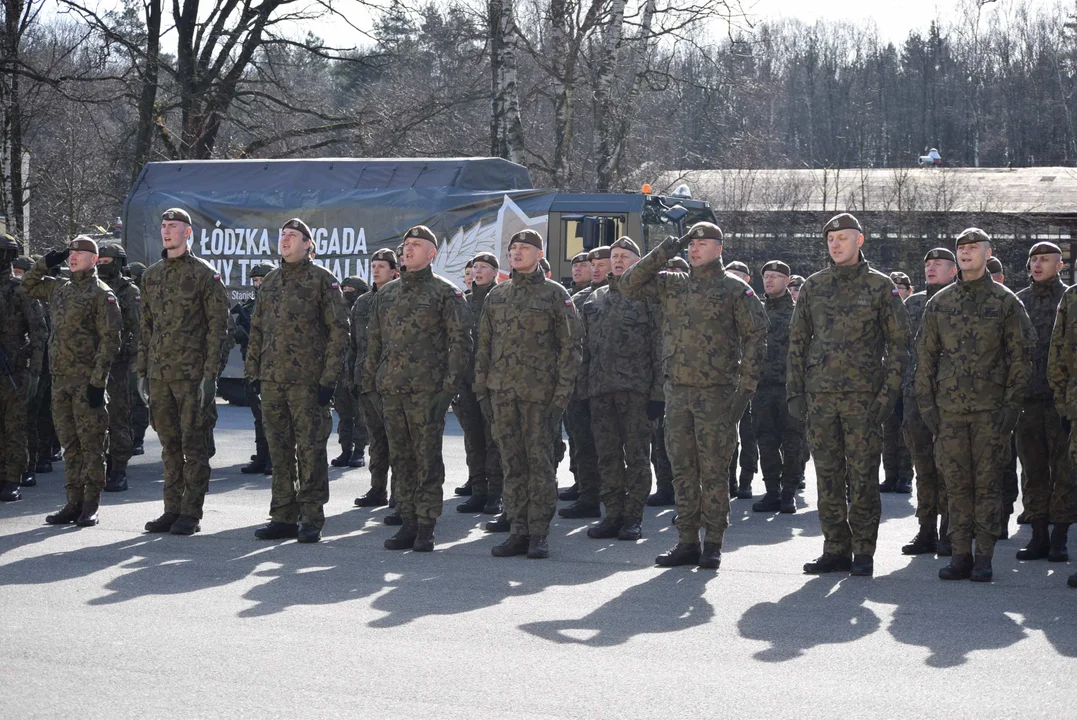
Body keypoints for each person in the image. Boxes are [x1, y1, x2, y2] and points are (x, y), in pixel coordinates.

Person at [621, 222, 767, 570]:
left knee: (714, 470)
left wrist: (744, 391)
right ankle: (686, 540)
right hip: (678, 393)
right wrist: (665, 250)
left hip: (716, 394)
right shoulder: (673, 285)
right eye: (691, 244)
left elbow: (756, 339)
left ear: (719, 248)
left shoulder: (735, 289)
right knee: (682, 469)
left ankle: (713, 541)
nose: (695, 249)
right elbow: (628, 284)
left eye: (702, 243)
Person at [788, 213, 909, 578]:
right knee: (827, 476)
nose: (835, 244)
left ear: (860, 240)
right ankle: (835, 548)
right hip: (821, 398)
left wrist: (888, 395)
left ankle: (863, 551)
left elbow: (900, 344)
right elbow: (797, 343)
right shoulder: (813, 286)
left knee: (862, 477)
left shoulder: (880, 286)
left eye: (843, 237)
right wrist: (796, 391)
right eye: (830, 239)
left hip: (863, 400)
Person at [917, 228, 1031, 583]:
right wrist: (928, 407)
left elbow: (1021, 357)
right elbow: (925, 357)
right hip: (949, 411)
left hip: (990, 410)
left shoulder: (1005, 301)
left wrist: (1012, 406)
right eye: (961, 249)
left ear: (987, 252)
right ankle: (960, 554)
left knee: (987, 485)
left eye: (973, 248)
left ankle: (984, 556)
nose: (966, 253)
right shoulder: (940, 302)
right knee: (955, 484)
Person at [363, 225, 471, 552]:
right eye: (406, 245)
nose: (408, 250)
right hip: (392, 389)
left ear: (432, 253)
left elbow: (460, 343)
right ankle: (407, 521)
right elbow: (375, 342)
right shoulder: (387, 294)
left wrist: (448, 390)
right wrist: (372, 383)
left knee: (426, 459)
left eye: (416, 245)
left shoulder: (445, 293)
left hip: (428, 392)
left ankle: (426, 526)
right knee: (401, 457)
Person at [475, 229, 580, 559]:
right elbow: (484, 346)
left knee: (540, 466)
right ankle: (517, 529)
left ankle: (538, 533)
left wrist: (560, 397)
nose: (517, 253)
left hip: (540, 397)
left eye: (525, 248)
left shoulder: (554, 294)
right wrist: (482, 391)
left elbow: (571, 347)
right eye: (513, 248)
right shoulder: (497, 296)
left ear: (539, 254)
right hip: (503, 395)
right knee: (512, 464)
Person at [245, 219, 349, 543]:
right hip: (272, 381)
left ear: (308, 244)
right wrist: (252, 373)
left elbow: (339, 332)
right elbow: (257, 331)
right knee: (278, 451)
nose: (285, 240)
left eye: (293, 236)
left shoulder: (322, 281)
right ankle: (283, 516)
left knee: (310, 450)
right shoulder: (271, 283)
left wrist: (329, 379)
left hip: (308, 382)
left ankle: (311, 518)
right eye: (283, 235)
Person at [138, 208, 230, 536]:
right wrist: (142, 370)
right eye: (163, 226)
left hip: (192, 377)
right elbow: (145, 327)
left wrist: (210, 374)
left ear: (187, 233)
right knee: (169, 445)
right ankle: (171, 509)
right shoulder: (151, 275)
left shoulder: (205, 274)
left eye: (173, 226)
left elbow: (220, 328)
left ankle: (191, 512)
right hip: (160, 373)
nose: (166, 231)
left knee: (195, 443)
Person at [23, 237, 121, 525]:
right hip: (60, 382)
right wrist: (45, 262)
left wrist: (97, 382)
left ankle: (90, 505)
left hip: (86, 383)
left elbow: (110, 341)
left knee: (91, 445)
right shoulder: (60, 289)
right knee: (69, 445)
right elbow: (27, 285)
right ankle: (72, 502)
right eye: (71, 253)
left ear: (94, 259)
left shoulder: (102, 293)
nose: (73, 257)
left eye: (80, 253)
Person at [580, 236, 659, 541]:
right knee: (607, 456)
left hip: (636, 392)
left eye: (625, 255)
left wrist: (657, 396)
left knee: (637, 456)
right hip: (601, 391)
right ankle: (612, 514)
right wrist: (584, 390)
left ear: (638, 261)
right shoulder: (594, 299)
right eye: (614, 255)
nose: (618, 260)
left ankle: (633, 518)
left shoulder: (648, 296)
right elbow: (585, 349)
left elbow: (658, 345)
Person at [1015, 242, 1075, 562]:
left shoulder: (1069, 300)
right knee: (1033, 471)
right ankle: (1038, 534)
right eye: (1033, 260)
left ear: (1060, 265)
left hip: (1060, 401)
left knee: (1063, 471)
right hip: (1028, 399)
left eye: (1045, 259)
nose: (1037, 265)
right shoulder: (1018, 301)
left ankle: (1060, 536)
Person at [900, 248, 958, 557]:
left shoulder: (960, 301)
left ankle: (951, 530)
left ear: (953, 270)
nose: (931, 269)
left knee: (948, 466)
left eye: (939, 264)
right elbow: (900, 346)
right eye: (928, 264)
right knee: (923, 465)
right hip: (914, 395)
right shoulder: (914, 303)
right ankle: (926, 530)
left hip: (949, 397)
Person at [557, 246, 609, 519]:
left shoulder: (630, 295)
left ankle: (613, 501)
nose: (595, 268)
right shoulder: (579, 298)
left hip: (611, 384)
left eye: (602, 263)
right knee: (582, 442)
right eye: (593, 263)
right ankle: (587, 493)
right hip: (580, 383)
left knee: (611, 447)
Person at [454, 251, 504, 515]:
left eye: (484, 267)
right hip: (467, 380)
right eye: (475, 267)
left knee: (493, 439)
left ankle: (496, 494)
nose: (477, 271)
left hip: (493, 382)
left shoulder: (502, 298)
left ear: (495, 272)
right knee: (473, 438)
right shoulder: (463, 302)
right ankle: (478, 490)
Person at [751, 260, 801, 514]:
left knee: (793, 442)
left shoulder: (799, 311)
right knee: (766, 442)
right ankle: (772, 492)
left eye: (775, 276)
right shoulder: (755, 310)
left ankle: (789, 493)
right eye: (766, 276)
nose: (769, 280)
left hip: (789, 388)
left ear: (787, 280)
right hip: (761, 387)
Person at [351, 249, 399, 511]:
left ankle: (398, 493)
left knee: (397, 440)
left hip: (390, 381)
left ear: (394, 271)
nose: (376, 269)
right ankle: (377, 488)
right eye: (374, 265)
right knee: (376, 439)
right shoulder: (363, 302)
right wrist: (351, 375)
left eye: (382, 265)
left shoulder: (399, 299)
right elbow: (354, 344)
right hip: (365, 381)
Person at [0, 235, 46, 502]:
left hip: (13, 371)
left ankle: (12, 477)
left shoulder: (20, 290)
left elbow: (39, 332)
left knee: (14, 425)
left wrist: (34, 371)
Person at [92, 243, 141, 494]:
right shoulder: (91, 286)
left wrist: (130, 359)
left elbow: (137, 328)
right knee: (93, 418)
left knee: (118, 417)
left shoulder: (128, 290)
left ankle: (119, 469)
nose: (102, 264)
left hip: (118, 366)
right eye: (99, 260)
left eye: (107, 260)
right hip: (91, 363)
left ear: (119, 262)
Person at [232, 262, 274, 475]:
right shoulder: (249, 306)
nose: (258, 284)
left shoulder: (278, 303)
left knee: (273, 417)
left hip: (272, 368)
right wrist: (239, 331)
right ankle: (261, 456)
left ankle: (274, 459)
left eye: (262, 279)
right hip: (251, 367)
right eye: (255, 281)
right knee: (258, 415)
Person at [724, 260, 759, 499]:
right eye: (731, 274)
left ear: (747, 280)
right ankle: (729, 481)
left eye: (740, 274)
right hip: (727, 382)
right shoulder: (719, 306)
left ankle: (746, 480)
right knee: (728, 437)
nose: (735, 277)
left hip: (748, 382)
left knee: (749, 435)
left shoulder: (752, 304)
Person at [880, 270, 915, 494]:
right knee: (888, 431)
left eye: (901, 289)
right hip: (886, 379)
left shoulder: (913, 309)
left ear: (908, 291)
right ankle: (890, 475)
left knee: (906, 431)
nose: (897, 292)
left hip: (907, 379)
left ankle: (905, 476)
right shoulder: (884, 311)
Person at [332, 276, 369, 469]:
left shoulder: (367, 309)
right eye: (344, 288)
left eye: (351, 289)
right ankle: (345, 450)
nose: (346, 291)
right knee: (344, 414)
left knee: (360, 415)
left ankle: (359, 451)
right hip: (339, 371)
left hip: (359, 370)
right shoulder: (337, 310)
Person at [127, 261, 150, 455]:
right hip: (126, 353)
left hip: (140, 354)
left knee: (138, 397)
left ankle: (137, 437)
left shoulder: (145, 295)